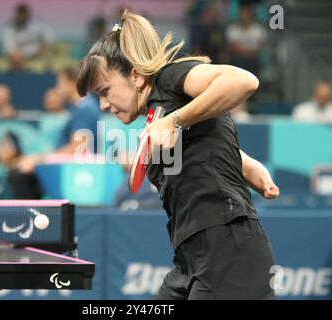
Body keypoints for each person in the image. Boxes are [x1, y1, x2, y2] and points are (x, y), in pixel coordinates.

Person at [76, 11, 279, 300]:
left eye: (105, 91)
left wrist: (175, 122)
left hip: (229, 252)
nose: (105, 105)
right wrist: (244, 162)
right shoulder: (154, 114)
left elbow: (243, 81)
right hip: (189, 258)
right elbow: (204, 138)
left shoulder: (170, 78)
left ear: (135, 75)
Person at [0, 131, 42, 199]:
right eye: (2, 144)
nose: (4, 149)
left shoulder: (23, 163)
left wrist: (35, 160)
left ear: (16, 146)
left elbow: (40, 159)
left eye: (8, 144)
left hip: (22, 207)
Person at [2, 3, 51, 70]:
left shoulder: (37, 25)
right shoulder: (9, 28)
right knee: (15, 60)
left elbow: (48, 38)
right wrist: (17, 57)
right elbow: (10, 49)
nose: (22, 17)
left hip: (36, 54)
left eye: (23, 14)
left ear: (27, 14)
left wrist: (42, 49)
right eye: (20, 14)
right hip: (18, 57)